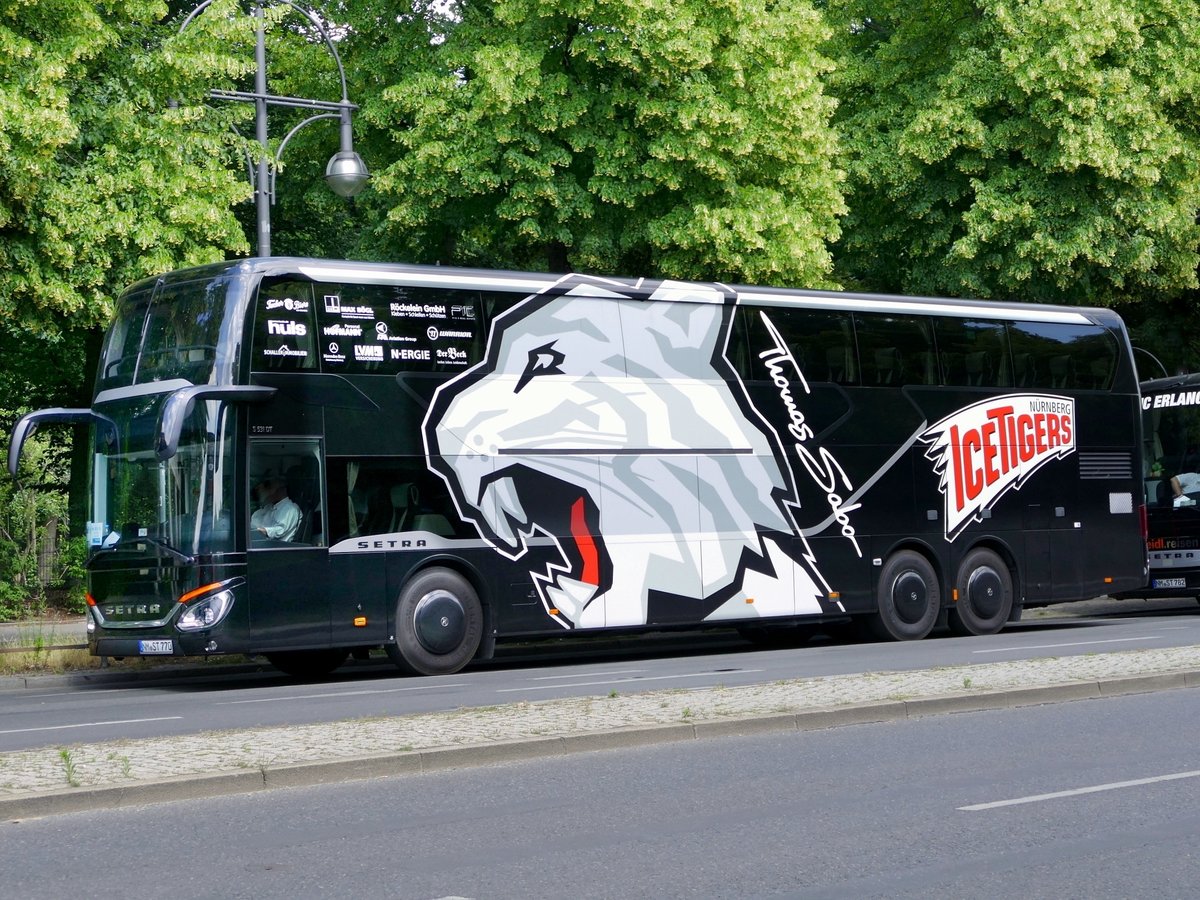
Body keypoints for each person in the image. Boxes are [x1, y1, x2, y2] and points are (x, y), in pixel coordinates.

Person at [250, 475, 302, 541]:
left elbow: (281, 530)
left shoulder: (291, 509)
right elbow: (255, 524)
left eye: (269, 487)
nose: (268, 492)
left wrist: (265, 531)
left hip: (280, 548)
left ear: (281, 489)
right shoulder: (268, 508)